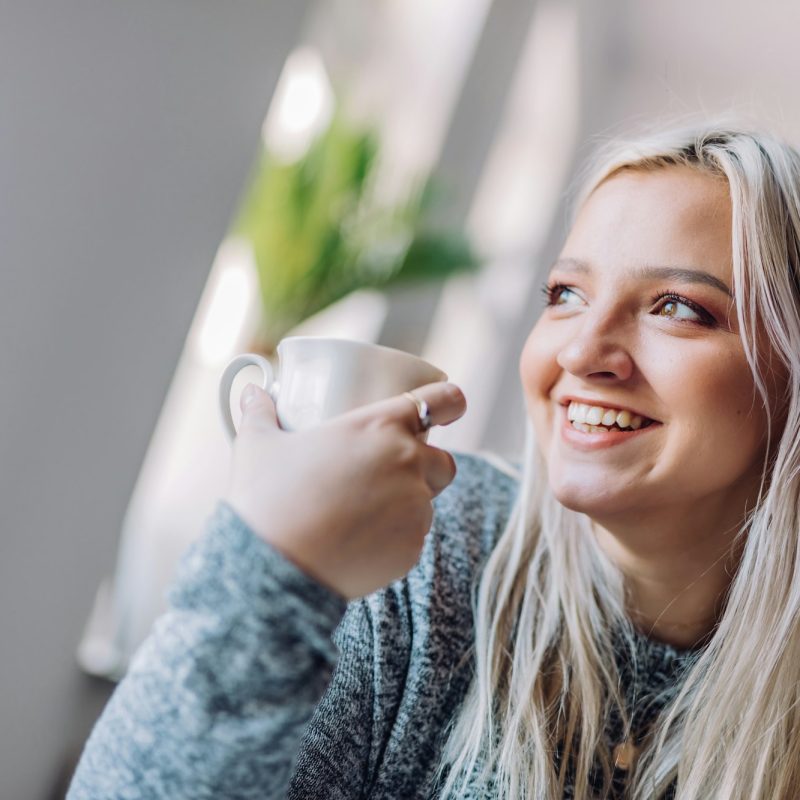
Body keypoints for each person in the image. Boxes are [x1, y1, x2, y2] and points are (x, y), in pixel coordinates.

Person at [68, 123, 800, 800]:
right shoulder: (421, 556)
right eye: (566, 294)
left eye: (676, 306)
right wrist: (273, 567)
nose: (579, 351)